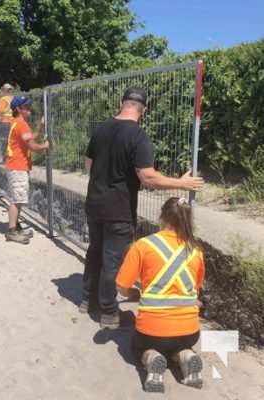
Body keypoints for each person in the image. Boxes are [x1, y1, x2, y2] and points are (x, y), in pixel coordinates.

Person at [81, 86, 205, 329]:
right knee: (112, 260)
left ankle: (88, 300)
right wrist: (181, 183)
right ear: (144, 110)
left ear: (121, 103)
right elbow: (148, 177)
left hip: (94, 202)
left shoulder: (100, 129)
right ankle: (108, 311)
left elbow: (88, 165)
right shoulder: (138, 137)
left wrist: (104, 182)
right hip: (118, 209)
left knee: (94, 251)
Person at [116, 197, 205, 393]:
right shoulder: (195, 251)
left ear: (162, 217)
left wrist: (136, 293)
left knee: (138, 347)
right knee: (178, 345)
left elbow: (122, 286)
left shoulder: (143, 245)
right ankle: (186, 356)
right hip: (189, 332)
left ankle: (152, 358)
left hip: (151, 331)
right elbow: (195, 291)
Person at [5, 96, 49, 244]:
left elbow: (29, 138)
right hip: (18, 167)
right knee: (17, 200)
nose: (29, 108)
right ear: (18, 109)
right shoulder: (20, 124)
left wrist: (40, 128)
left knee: (19, 199)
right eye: (26, 106)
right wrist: (45, 146)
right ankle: (12, 231)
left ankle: (16, 227)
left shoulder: (18, 123)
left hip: (17, 166)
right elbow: (32, 146)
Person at [0, 83, 15, 161]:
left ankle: (5, 158)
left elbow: (0, 111)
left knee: (4, 140)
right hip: (13, 122)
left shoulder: (3, 99)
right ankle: (12, 157)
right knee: (12, 140)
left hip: (5, 122)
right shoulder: (14, 98)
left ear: (5, 90)